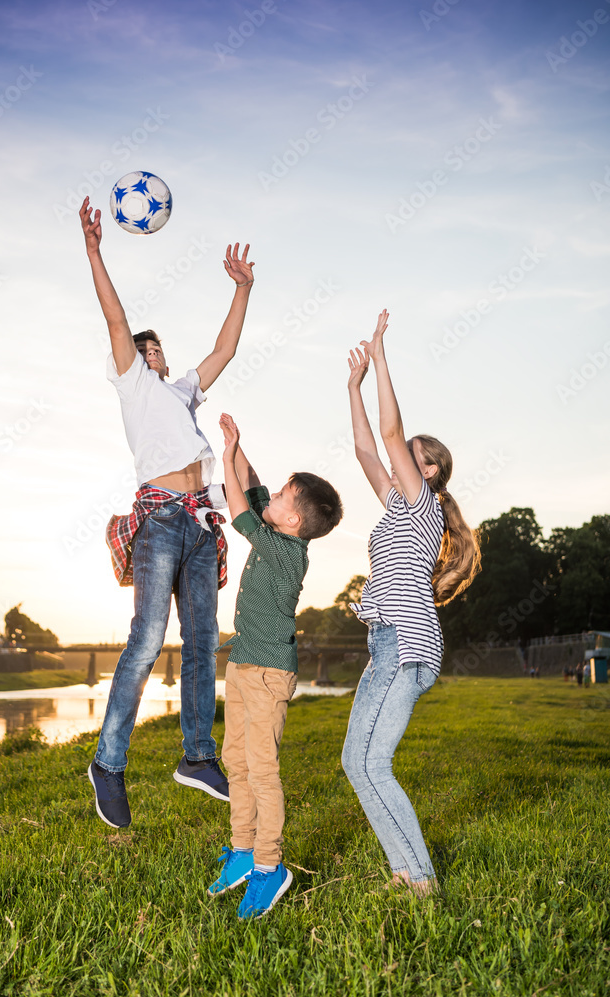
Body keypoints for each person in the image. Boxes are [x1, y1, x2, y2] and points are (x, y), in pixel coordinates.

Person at [78, 196, 256, 829]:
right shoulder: (134, 385)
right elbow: (116, 318)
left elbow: (224, 350)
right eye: (145, 348)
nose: (154, 352)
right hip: (159, 520)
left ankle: (197, 757)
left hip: (201, 525)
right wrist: (96, 251)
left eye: (158, 349)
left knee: (204, 642)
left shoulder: (182, 394)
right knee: (147, 639)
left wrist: (242, 291)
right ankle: (109, 763)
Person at [341, 309, 481, 896]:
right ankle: (407, 871)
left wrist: (381, 360)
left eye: (414, 456)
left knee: (372, 764)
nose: (401, 460)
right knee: (357, 762)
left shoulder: (423, 503)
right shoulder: (399, 506)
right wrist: (352, 386)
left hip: (405, 644)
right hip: (389, 645)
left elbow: (391, 436)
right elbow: (365, 448)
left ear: (429, 474)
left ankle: (419, 879)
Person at [207, 413, 343, 919]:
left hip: (268, 675)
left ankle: (270, 867)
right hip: (242, 665)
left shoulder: (287, 552)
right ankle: (242, 852)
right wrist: (237, 447)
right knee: (237, 762)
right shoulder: (279, 527)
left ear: (293, 522)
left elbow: (241, 509)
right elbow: (255, 487)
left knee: (263, 771)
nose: (276, 498)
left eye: (286, 497)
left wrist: (225, 461)